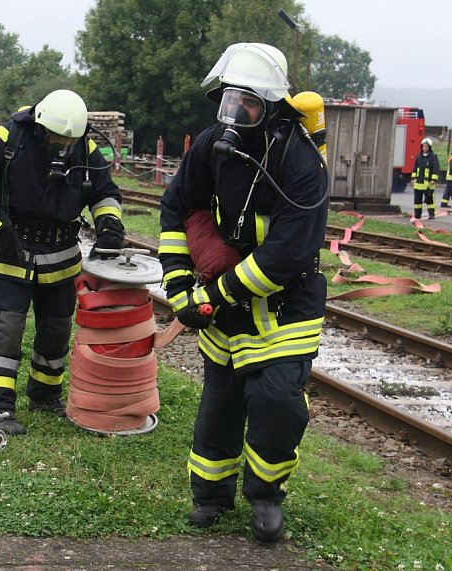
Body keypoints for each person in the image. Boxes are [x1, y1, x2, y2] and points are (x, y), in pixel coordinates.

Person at [159, 43, 328, 543]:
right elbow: (177, 209)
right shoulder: (212, 144)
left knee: (277, 401)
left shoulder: (300, 162)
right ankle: (210, 496)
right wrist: (178, 285)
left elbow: (287, 255)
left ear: (272, 107)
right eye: (230, 100)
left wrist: (216, 296)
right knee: (221, 403)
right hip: (224, 307)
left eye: (248, 103)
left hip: (285, 306)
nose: (235, 113)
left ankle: (266, 497)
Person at [0, 89, 124, 436]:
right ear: (39, 127)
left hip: (62, 256)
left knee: (57, 329)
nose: (62, 146)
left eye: (68, 141)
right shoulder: (7, 139)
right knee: (8, 328)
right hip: (11, 251)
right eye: (56, 139)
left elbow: (105, 193)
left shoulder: (85, 147)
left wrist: (109, 224)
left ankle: (45, 396)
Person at [411, 138, 440, 219]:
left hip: (428, 183)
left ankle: (431, 214)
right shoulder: (419, 156)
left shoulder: (433, 157)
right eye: (424, 146)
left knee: (430, 200)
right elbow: (415, 168)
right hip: (418, 183)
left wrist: (433, 179)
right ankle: (417, 215)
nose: (425, 148)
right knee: (417, 201)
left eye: (427, 146)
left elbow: (435, 169)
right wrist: (413, 178)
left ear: (429, 147)